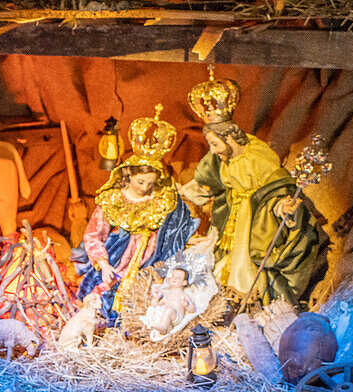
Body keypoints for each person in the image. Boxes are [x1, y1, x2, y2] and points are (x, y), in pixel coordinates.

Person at [184, 67, 324, 306]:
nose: (214, 151)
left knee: (247, 262)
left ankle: (249, 299)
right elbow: (209, 185)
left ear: (229, 138)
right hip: (230, 214)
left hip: (257, 216)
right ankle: (221, 298)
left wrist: (281, 206)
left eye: (215, 144)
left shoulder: (257, 154)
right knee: (222, 258)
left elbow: (278, 186)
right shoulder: (220, 160)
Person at [76, 106, 196, 323]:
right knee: (103, 299)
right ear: (129, 175)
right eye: (140, 182)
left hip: (150, 261)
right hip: (116, 259)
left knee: (150, 305)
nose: (144, 189)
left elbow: (176, 229)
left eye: (150, 184)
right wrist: (103, 263)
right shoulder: (113, 199)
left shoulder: (162, 199)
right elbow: (93, 235)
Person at [144, 266, 195, 337]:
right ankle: (162, 325)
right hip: (166, 314)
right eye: (173, 276)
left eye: (178, 278)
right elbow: (157, 305)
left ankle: (163, 328)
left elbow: (192, 309)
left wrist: (187, 306)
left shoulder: (183, 295)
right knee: (156, 310)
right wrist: (156, 298)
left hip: (176, 315)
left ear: (184, 282)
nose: (174, 279)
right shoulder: (167, 295)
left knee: (169, 310)